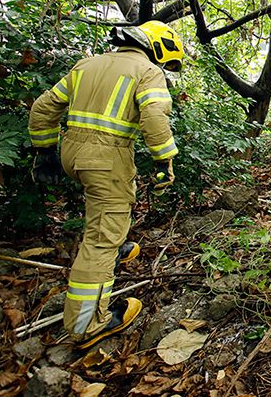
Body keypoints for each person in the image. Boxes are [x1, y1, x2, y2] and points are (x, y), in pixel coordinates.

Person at [28, 21, 183, 349]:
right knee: (101, 240)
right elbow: (154, 118)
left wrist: (44, 151)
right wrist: (163, 160)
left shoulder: (87, 64)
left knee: (105, 204)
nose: (164, 68)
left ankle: (117, 245)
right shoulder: (146, 71)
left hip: (73, 155)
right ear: (157, 48)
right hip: (105, 159)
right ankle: (86, 324)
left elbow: (43, 107)